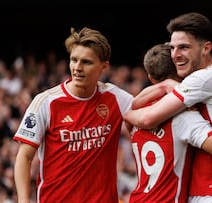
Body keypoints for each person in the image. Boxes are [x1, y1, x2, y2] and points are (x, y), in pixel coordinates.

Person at [124, 12, 212, 202]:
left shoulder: (201, 79)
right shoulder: (184, 113)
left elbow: (146, 117)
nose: (176, 54)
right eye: (173, 48)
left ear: (206, 48)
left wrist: (127, 113)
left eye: (184, 47)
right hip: (207, 190)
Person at [13, 27, 133, 203]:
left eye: (86, 62)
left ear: (104, 67)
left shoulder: (116, 98)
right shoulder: (46, 102)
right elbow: (24, 157)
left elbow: (148, 113)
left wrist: (166, 87)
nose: (77, 67)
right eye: (73, 60)